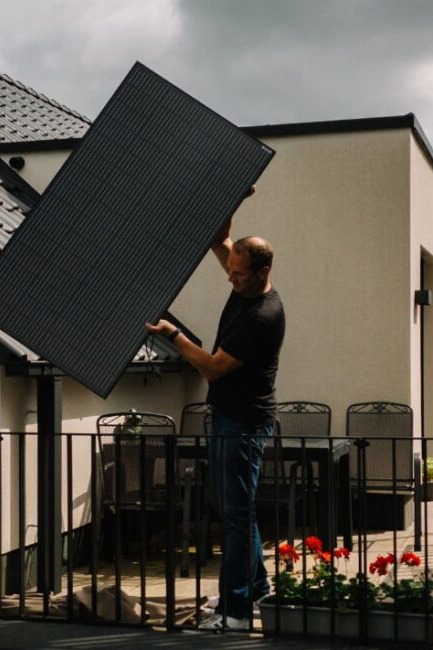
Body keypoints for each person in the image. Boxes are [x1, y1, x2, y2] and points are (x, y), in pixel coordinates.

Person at [146, 200, 286, 631]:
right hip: (230, 417)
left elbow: (211, 366)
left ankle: (237, 611)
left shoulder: (261, 316)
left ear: (262, 273)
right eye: (231, 270)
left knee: (235, 515)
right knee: (235, 509)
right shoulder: (246, 281)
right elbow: (219, 240)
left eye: (237, 274)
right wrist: (235, 194)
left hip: (242, 423)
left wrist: (173, 334)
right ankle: (258, 590)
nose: (230, 276)